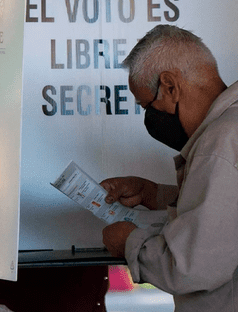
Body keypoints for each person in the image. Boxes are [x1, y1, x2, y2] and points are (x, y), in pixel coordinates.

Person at [101, 24, 238, 311]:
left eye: (146, 105)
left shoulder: (220, 144)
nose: (149, 117)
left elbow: (192, 268)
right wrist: (154, 194)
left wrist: (128, 242)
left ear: (170, 86)